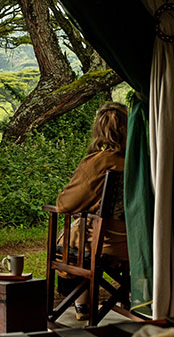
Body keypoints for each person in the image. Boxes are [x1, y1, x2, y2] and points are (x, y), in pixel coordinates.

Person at [55, 102, 128, 320]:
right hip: (138, 242)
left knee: (68, 243)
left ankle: (83, 305)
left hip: (105, 244)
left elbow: (64, 205)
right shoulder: (145, 160)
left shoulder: (98, 162)